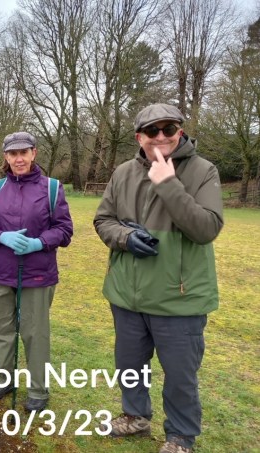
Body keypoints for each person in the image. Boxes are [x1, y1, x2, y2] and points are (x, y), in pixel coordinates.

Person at [93, 104, 223, 453]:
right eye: (153, 130)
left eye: (169, 129)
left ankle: (180, 436)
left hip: (179, 298)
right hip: (128, 294)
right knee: (130, 367)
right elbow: (103, 220)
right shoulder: (123, 172)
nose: (162, 136)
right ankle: (135, 416)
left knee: (180, 375)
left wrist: (167, 183)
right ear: (140, 137)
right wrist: (125, 237)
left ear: (180, 131)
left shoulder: (203, 171)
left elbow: (206, 229)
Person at [0, 131, 73, 412]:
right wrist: (0, 236)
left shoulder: (52, 188)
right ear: (6, 157)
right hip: (0, 271)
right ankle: (3, 380)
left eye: (24, 152)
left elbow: (64, 230)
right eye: (13, 154)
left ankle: (38, 389)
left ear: (33, 153)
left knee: (34, 333)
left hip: (37, 274)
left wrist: (39, 242)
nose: (19, 159)